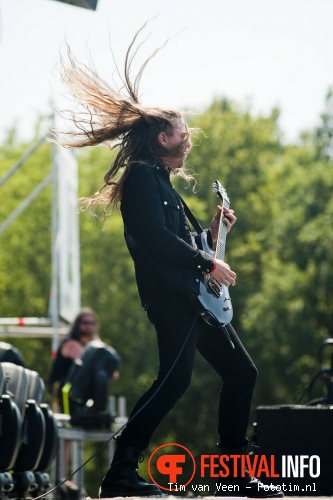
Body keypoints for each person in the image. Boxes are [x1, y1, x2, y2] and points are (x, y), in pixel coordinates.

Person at [51, 27, 283, 499]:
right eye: (182, 132)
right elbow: (155, 241)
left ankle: (233, 468)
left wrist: (216, 237)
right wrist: (207, 263)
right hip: (172, 298)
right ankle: (120, 473)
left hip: (192, 295)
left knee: (242, 373)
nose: (188, 140)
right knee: (172, 382)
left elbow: (183, 241)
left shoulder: (161, 181)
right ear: (162, 137)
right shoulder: (141, 178)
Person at [49, 307, 100, 411]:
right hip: (64, 390)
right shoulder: (71, 343)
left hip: (78, 393)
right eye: (86, 322)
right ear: (78, 324)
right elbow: (89, 363)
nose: (89, 326)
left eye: (92, 323)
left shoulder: (91, 343)